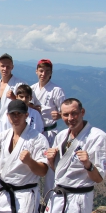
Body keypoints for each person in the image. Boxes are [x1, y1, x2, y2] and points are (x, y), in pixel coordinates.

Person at [30, 59, 65, 195]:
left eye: (47, 71)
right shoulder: (32, 89)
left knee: (51, 166)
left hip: (50, 133)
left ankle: (50, 199)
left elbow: (66, 112)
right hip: (35, 132)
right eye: (41, 71)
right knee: (34, 164)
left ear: (51, 73)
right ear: (36, 71)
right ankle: (34, 197)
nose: (43, 74)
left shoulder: (56, 90)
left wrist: (60, 115)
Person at [0, 53, 27, 136]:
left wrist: (14, 98)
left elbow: (26, 106)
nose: (5, 69)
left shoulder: (19, 85)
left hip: (10, 127)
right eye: (2, 66)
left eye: (8, 66)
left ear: (12, 67)